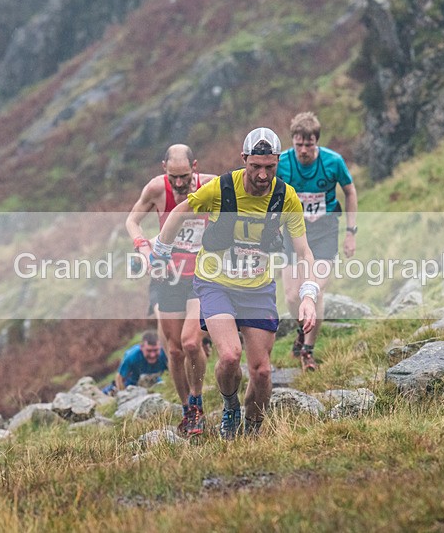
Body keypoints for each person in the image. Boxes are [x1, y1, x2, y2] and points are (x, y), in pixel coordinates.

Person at [152, 127, 319, 440]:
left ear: (278, 161)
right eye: (255, 166)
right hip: (215, 284)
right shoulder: (221, 187)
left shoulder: (285, 197)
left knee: (262, 371)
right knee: (229, 356)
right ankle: (230, 407)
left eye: (270, 167)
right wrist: (161, 252)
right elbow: (181, 210)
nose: (262, 175)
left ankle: (252, 430)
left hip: (257, 289)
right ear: (244, 159)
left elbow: (304, 251)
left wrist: (309, 294)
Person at [126, 144, 217, 436]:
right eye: (173, 177)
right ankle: (187, 408)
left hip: (202, 275)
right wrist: (143, 248)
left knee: (191, 343)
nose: (179, 184)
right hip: (169, 277)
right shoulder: (156, 188)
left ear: (195, 167)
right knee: (175, 351)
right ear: (164, 167)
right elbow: (132, 220)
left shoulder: (211, 185)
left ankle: (198, 401)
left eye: (185, 177)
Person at [277, 112, 358, 371]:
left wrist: (351, 232)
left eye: (309, 145)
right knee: (292, 295)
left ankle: (308, 350)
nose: (303, 150)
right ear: (292, 141)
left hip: (324, 231)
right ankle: (302, 329)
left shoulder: (333, 161)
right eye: (298, 144)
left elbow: (350, 191)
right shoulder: (282, 163)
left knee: (314, 289)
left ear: (317, 142)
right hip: (293, 232)